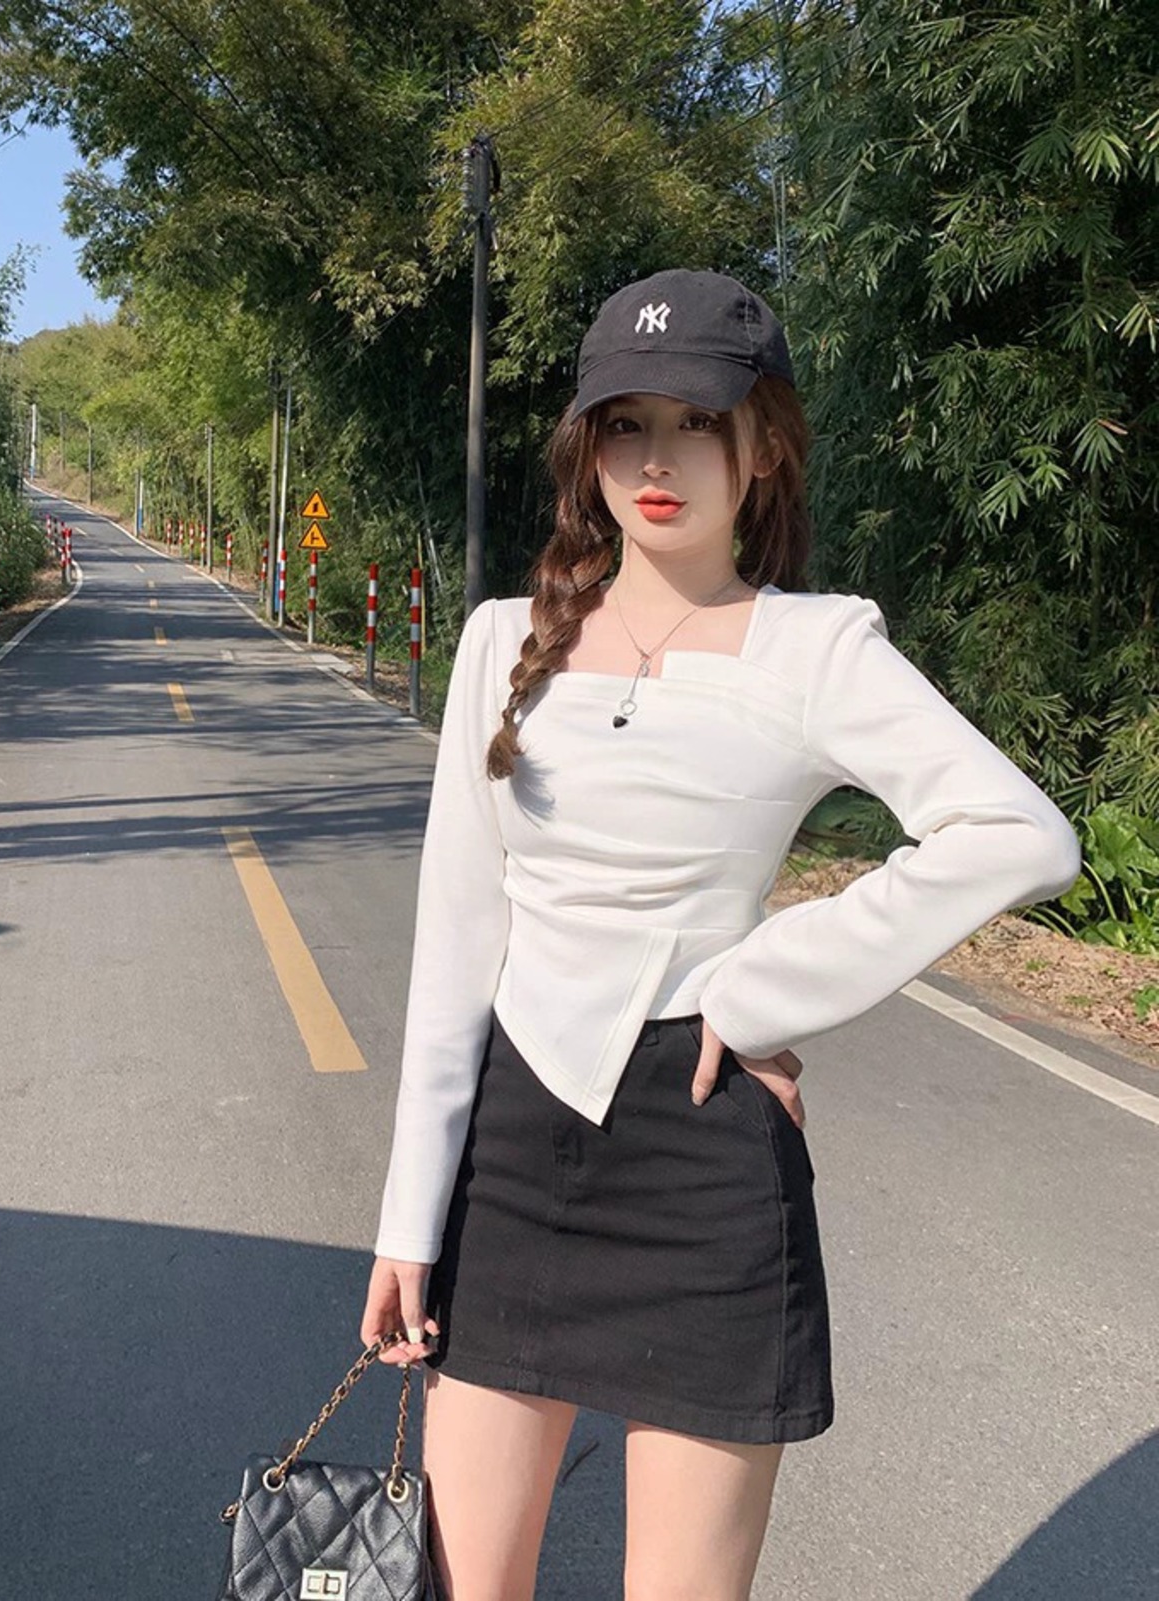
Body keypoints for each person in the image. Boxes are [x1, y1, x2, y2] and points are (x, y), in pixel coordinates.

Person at [361, 268, 1082, 1600]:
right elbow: (455, 945)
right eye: (626, 424)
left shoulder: (816, 649)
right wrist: (409, 1217)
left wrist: (760, 986)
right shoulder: (499, 641)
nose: (658, 459)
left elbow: (1020, 834)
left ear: (762, 449)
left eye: (697, 423)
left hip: (703, 1169)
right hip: (510, 1162)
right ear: (587, 448)